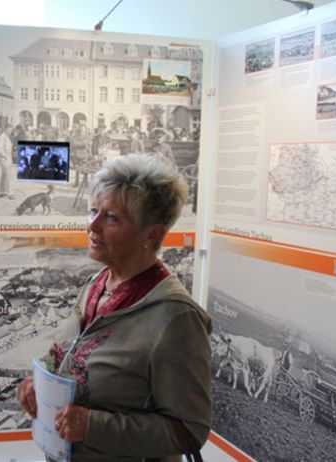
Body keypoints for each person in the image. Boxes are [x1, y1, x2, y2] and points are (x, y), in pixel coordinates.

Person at [17, 154, 212, 462]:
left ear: (152, 235)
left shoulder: (177, 318)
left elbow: (188, 431)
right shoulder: (98, 282)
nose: (92, 225)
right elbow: (76, 358)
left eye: (111, 218)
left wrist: (93, 426)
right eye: (93, 211)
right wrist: (38, 386)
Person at [0, 125, 14, 199]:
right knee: (8, 175)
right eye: (9, 129)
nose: (10, 131)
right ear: (5, 129)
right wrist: (3, 156)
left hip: (8, 158)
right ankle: (10, 193)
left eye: (11, 130)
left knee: (4, 175)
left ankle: (2, 192)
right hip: (4, 158)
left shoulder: (7, 137)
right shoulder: (2, 137)